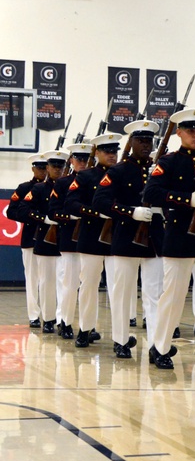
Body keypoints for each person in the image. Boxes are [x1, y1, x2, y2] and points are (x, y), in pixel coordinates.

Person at [142, 108, 195, 370]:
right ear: (179, 133)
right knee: (174, 297)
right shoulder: (169, 161)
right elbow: (151, 193)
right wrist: (187, 199)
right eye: (191, 130)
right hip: (179, 235)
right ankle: (161, 346)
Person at [93, 120, 164, 359]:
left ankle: (157, 345)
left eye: (149, 141)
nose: (146, 145)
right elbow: (100, 201)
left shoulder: (158, 169)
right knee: (123, 293)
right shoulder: (118, 171)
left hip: (154, 240)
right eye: (141, 141)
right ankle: (121, 340)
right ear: (131, 142)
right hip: (126, 239)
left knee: (155, 295)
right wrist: (129, 211)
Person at [64, 134, 121, 347]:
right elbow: (71, 203)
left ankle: (120, 336)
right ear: (96, 153)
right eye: (107, 151)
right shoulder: (86, 176)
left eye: (114, 151)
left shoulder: (122, 173)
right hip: (91, 237)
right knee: (88, 285)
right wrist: (96, 213)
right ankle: (85, 329)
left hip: (117, 237)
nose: (112, 155)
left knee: (118, 288)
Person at [48, 143, 92, 340]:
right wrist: (73, 217)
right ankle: (65, 321)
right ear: (72, 160)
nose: (82, 163)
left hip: (92, 238)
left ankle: (87, 326)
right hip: (70, 239)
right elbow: (53, 211)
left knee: (89, 286)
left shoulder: (95, 180)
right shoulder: (63, 183)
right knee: (70, 283)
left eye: (86, 159)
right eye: (79, 159)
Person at [24, 150, 69, 334]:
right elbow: (25, 209)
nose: (57, 170)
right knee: (46, 282)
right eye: (54, 166)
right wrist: (44, 219)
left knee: (65, 282)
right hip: (45, 239)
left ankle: (62, 319)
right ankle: (48, 318)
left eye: (61, 166)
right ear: (48, 167)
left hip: (65, 240)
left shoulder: (69, 187)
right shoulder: (39, 189)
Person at [9, 155, 48, 330]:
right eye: (39, 168)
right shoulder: (24, 188)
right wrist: (30, 217)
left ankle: (50, 315)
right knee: (32, 279)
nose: (42, 171)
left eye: (44, 167)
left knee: (50, 279)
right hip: (31, 236)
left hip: (50, 238)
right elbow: (12, 211)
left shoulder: (54, 187)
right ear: (33, 169)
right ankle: (33, 315)